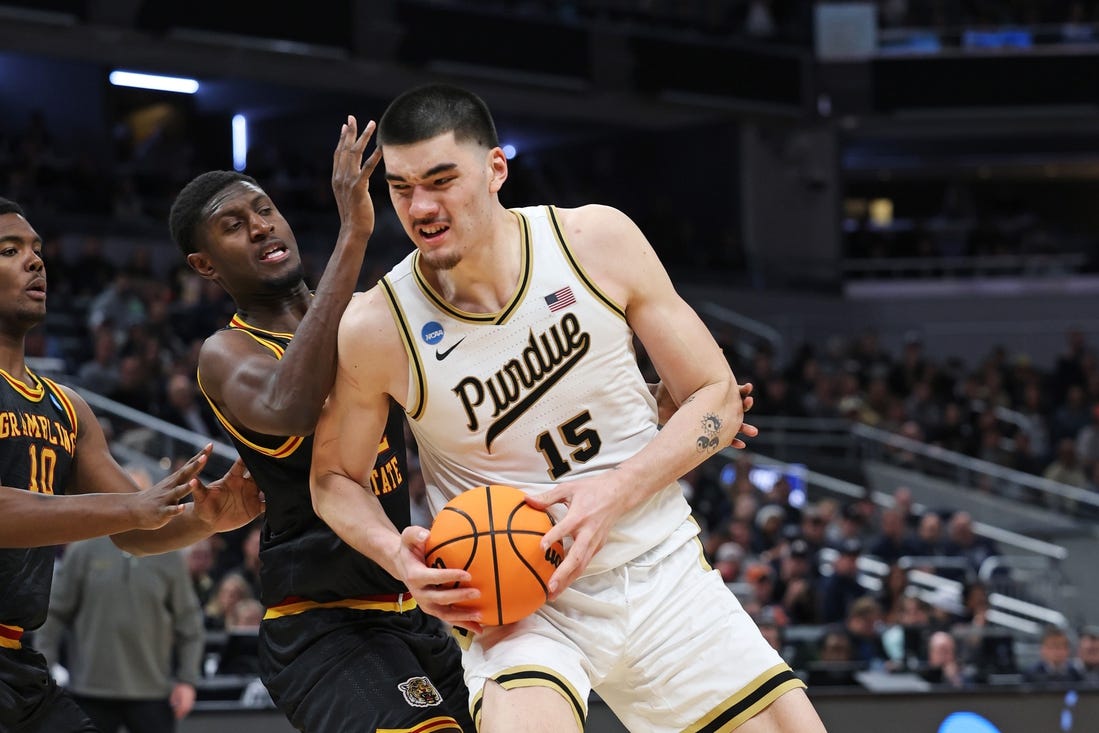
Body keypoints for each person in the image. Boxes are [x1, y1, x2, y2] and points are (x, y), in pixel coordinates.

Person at [309, 84, 825, 732]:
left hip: (654, 566)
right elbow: (331, 478)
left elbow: (715, 400)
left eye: (441, 180)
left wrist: (609, 493)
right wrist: (398, 557)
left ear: (496, 168)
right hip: (517, 598)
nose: (422, 206)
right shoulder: (377, 324)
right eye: (402, 187)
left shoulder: (593, 241)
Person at [168, 115, 473, 732]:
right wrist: (355, 233)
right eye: (234, 225)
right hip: (320, 623)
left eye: (264, 210)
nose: (259, 226)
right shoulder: (227, 353)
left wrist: (631, 397)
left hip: (408, 606)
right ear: (206, 265)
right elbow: (291, 407)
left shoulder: (367, 319)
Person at [0, 196, 263, 733]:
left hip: (16, 664)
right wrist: (132, 506)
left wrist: (206, 520)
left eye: (37, 250)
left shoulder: (67, 408)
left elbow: (135, 532)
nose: (35, 262)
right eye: (10, 250)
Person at [35, 535, 204, 733]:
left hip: (152, 691)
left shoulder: (170, 555)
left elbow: (189, 624)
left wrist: (188, 680)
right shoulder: (83, 550)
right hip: (89, 690)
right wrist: (45, 668)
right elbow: (54, 613)